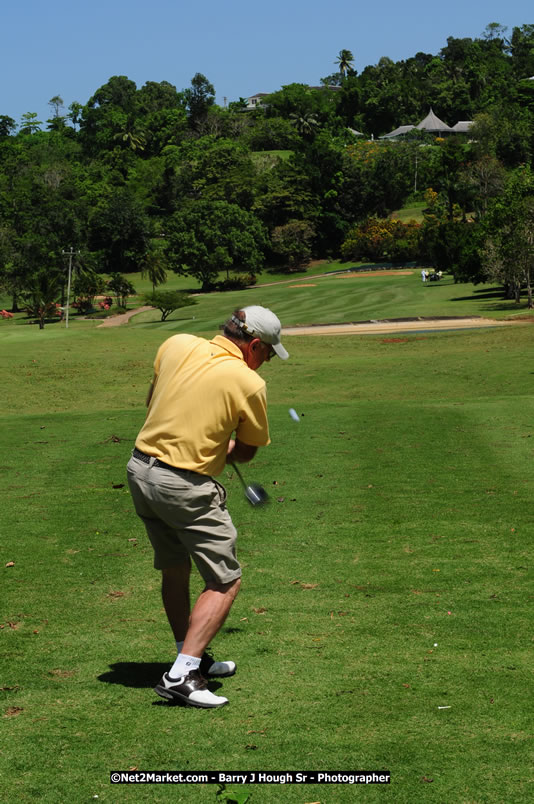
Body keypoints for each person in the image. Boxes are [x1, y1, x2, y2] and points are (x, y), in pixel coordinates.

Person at [127, 306, 288, 708]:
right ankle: (182, 674)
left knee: (175, 565)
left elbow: (155, 405)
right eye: (267, 353)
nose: (267, 361)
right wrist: (220, 447)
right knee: (224, 580)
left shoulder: (176, 344)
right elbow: (245, 452)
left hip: (140, 470)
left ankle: (189, 656)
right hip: (184, 486)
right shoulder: (248, 382)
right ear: (253, 345)